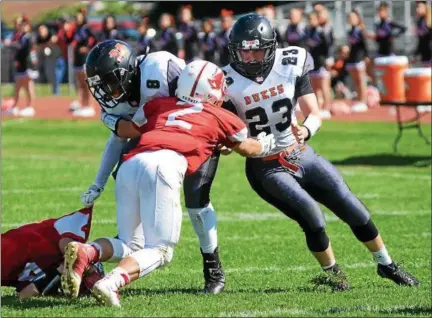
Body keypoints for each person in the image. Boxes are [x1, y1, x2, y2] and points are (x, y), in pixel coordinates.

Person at [223, 13, 419, 291]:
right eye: (244, 51)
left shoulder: (290, 63)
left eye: (257, 51)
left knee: (354, 208)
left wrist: (307, 129)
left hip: (300, 151)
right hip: (265, 166)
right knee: (313, 217)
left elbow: (313, 112)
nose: (250, 58)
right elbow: (232, 137)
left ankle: (387, 265)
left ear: (271, 47)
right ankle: (335, 277)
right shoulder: (226, 82)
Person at [61, 60, 276, 306]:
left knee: (130, 244)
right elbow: (248, 148)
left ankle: (88, 252)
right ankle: (111, 283)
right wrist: (269, 143)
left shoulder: (158, 104)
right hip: (164, 167)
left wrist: (107, 119)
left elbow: (128, 130)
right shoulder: (219, 114)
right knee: (161, 250)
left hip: (130, 164)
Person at [76, 40, 225, 294]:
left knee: (196, 200)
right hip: (151, 138)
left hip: (192, 133)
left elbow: (204, 91)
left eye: (109, 82)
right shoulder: (114, 100)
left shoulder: (162, 69)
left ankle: (213, 267)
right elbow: (120, 137)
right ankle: (112, 259)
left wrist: (219, 134)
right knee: (130, 180)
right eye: (100, 84)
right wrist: (98, 182)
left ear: (127, 72)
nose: (104, 91)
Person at [1, 206, 104, 299]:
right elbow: (67, 240)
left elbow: (24, 294)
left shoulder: (51, 273)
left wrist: (58, 273)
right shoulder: (68, 240)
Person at [69, 9, 97, 117]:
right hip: (77, 58)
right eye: (75, 17)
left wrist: (88, 48)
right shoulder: (76, 29)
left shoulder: (86, 28)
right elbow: (69, 40)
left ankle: (90, 106)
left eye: (78, 17)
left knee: (88, 84)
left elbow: (95, 38)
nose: (76, 19)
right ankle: (83, 105)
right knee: (80, 84)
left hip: (84, 58)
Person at [304, 12, 332, 119]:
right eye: (309, 19)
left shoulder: (321, 32)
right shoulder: (308, 31)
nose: (311, 21)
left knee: (324, 87)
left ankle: (326, 108)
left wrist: (329, 59)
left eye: (313, 19)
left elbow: (328, 46)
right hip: (313, 63)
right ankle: (318, 108)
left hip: (322, 63)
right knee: (315, 88)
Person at [346, 10, 369, 112]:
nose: (351, 19)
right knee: (355, 81)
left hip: (359, 59)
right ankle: (359, 100)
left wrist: (366, 57)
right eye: (349, 18)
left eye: (353, 17)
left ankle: (363, 101)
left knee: (361, 81)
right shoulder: (350, 31)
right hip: (352, 58)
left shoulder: (360, 30)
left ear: (358, 18)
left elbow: (365, 45)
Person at [413, 0, 432, 66]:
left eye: (419, 7)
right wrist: (416, 54)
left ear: (426, 7)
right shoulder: (420, 21)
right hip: (425, 57)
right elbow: (421, 42)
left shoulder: (429, 20)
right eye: (416, 7)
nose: (417, 9)